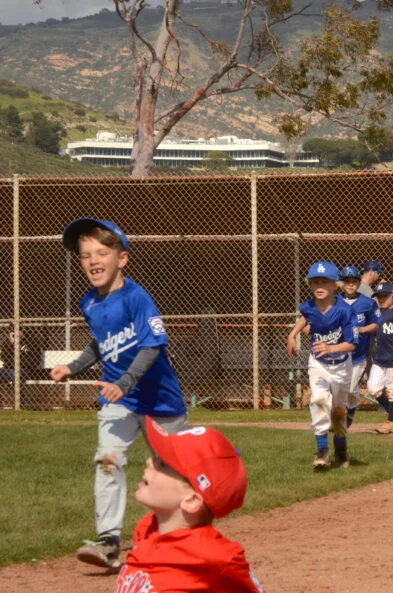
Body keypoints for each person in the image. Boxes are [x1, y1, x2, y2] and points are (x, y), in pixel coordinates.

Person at [49, 218, 189, 569]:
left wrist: (124, 382)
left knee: (171, 470)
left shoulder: (136, 297)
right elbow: (101, 343)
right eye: (84, 255)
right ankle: (109, 543)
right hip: (119, 399)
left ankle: (181, 539)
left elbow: (152, 345)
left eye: (101, 252)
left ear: (122, 259)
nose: (93, 260)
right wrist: (74, 365)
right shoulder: (89, 303)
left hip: (159, 400)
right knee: (108, 460)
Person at [117, 417, 263, 592]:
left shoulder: (218, 557)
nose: (149, 461)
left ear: (191, 501)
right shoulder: (146, 528)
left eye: (162, 464)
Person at [286, 261, 357, 470]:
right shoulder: (308, 305)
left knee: (337, 411)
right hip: (318, 362)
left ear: (335, 286)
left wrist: (330, 348)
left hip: (341, 365)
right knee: (318, 400)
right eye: (315, 281)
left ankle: (341, 448)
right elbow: (306, 316)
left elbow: (352, 344)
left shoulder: (344, 310)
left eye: (325, 282)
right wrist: (292, 334)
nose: (319, 285)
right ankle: (322, 452)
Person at [338, 264, 382, 427]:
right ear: (341, 283)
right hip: (337, 353)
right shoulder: (335, 301)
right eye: (346, 281)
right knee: (337, 388)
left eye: (354, 281)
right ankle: (338, 418)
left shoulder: (368, 303)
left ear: (359, 283)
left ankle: (349, 412)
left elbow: (376, 324)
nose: (350, 284)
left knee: (350, 388)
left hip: (358, 353)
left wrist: (361, 329)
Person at [366, 282, 393, 435]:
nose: (381, 299)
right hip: (379, 359)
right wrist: (369, 361)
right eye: (379, 297)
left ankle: (391, 422)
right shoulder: (377, 315)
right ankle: (392, 409)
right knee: (373, 388)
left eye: (385, 296)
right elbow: (372, 339)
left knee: (392, 390)